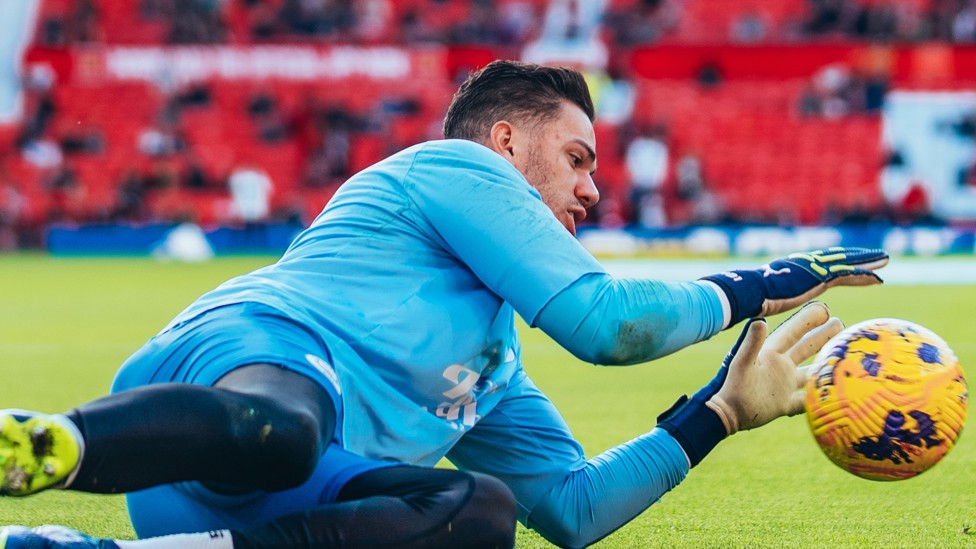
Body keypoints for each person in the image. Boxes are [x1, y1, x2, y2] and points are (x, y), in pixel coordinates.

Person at [0, 61, 889, 549]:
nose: (591, 190)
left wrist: (723, 412)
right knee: (291, 428)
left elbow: (574, 512)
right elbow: (608, 322)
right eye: (577, 158)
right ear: (506, 142)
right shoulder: (450, 166)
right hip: (228, 368)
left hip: (223, 505)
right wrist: (761, 283)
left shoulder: (490, 369)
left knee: (479, 512)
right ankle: (54, 444)